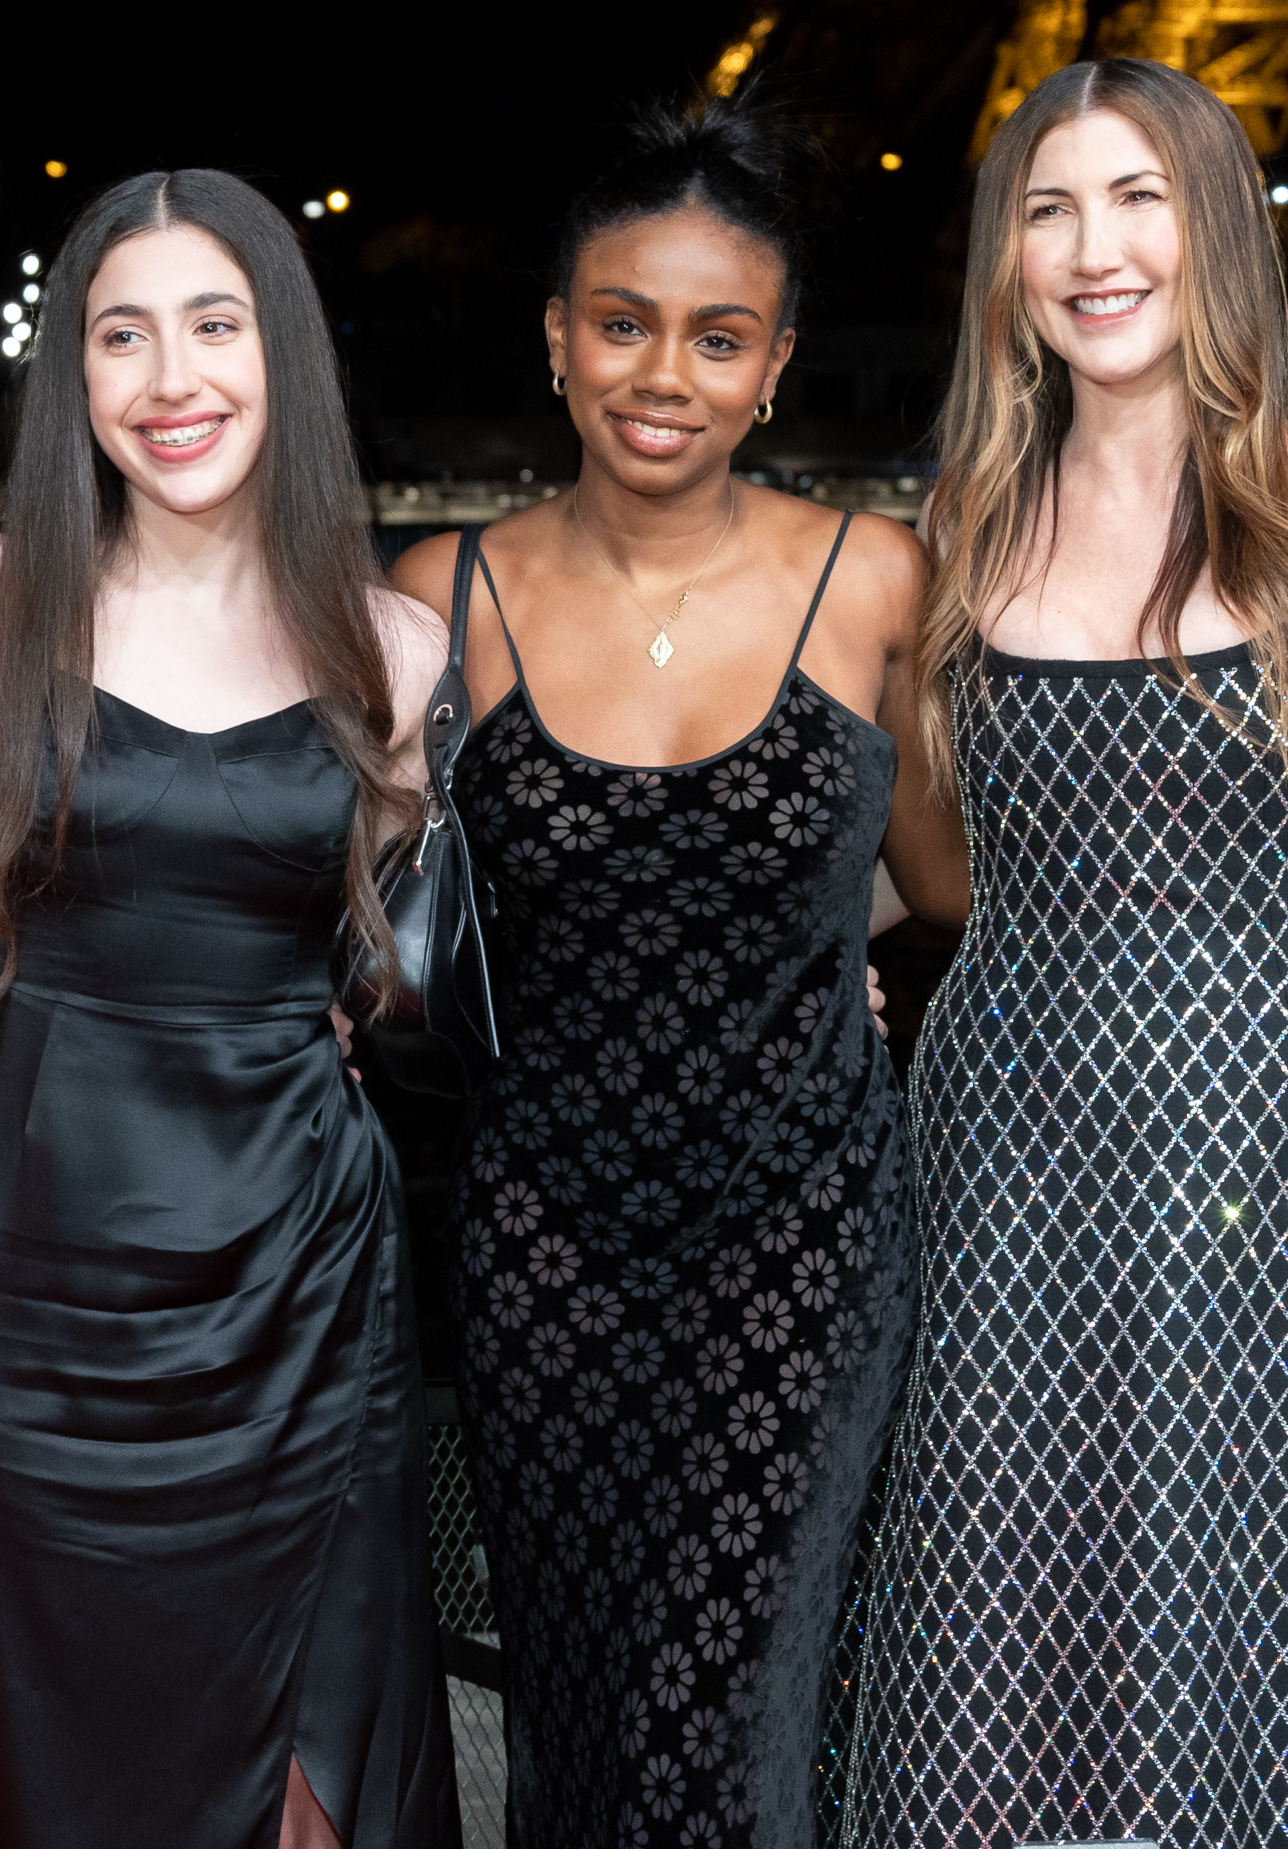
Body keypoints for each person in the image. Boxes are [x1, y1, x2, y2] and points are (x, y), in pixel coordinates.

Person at [840, 57, 1288, 1846]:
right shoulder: (962, 525)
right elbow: (927, 869)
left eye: (1138, 199)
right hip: (1018, 1196)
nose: (1094, 250)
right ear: (1008, 259)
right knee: (1029, 1696)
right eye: (1049, 210)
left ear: (1212, 227)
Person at [388, 98, 964, 1844]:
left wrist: (812, 940)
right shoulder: (445, 594)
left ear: (775, 367)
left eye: (720, 338)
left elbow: (944, 881)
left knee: (728, 1719)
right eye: (623, 323)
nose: (664, 374)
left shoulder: (871, 579)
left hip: (800, 1252)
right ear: (557, 337)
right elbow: (389, 924)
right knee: (575, 1714)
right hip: (542, 1253)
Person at [0, 168, 462, 1849]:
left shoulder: (392, 646)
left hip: (300, 1288)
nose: (170, 378)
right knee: (40, 1740)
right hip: (31, 1287)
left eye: (215, 325)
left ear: (285, 354)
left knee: (308, 1771)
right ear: (72, 374)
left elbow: (395, 961)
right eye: (120, 336)